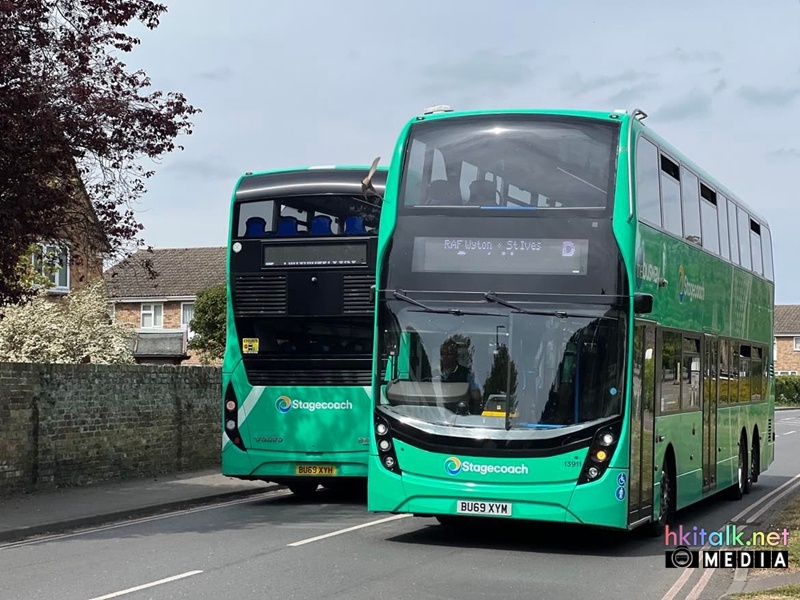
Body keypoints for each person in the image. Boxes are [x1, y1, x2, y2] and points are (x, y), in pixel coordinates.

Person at [439, 339, 483, 414]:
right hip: (438, 411)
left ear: (456, 356)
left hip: (461, 414)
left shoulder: (467, 374)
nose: (445, 357)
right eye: (443, 354)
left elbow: (477, 396)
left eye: (449, 354)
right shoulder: (434, 373)